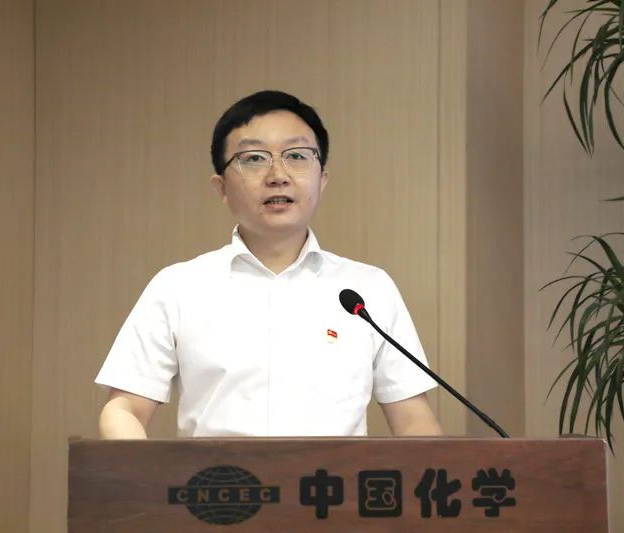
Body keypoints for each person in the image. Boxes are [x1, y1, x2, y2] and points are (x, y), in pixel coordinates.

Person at [96, 90, 442, 438]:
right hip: (217, 474)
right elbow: (125, 409)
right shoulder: (178, 287)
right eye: (254, 158)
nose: (278, 175)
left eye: (297, 155)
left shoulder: (367, 290)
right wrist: (139, 468)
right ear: (221, 188)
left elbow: (414, 420)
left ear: (322, 179)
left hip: (334, 476)